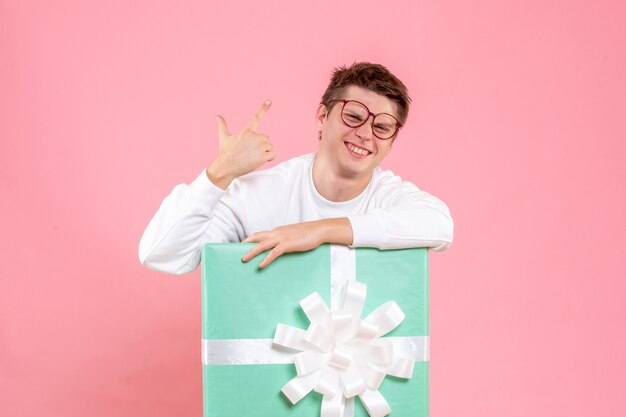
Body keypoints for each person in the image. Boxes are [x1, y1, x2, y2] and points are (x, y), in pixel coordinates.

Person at [139, 62, 453, 274]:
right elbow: (161, 254)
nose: (366, 134)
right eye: (354, 116)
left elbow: (440, 225)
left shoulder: (389, 195)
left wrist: (316, 232)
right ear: (321, 116)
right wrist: (220, 172)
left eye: (382, 126)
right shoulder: (259, 193)